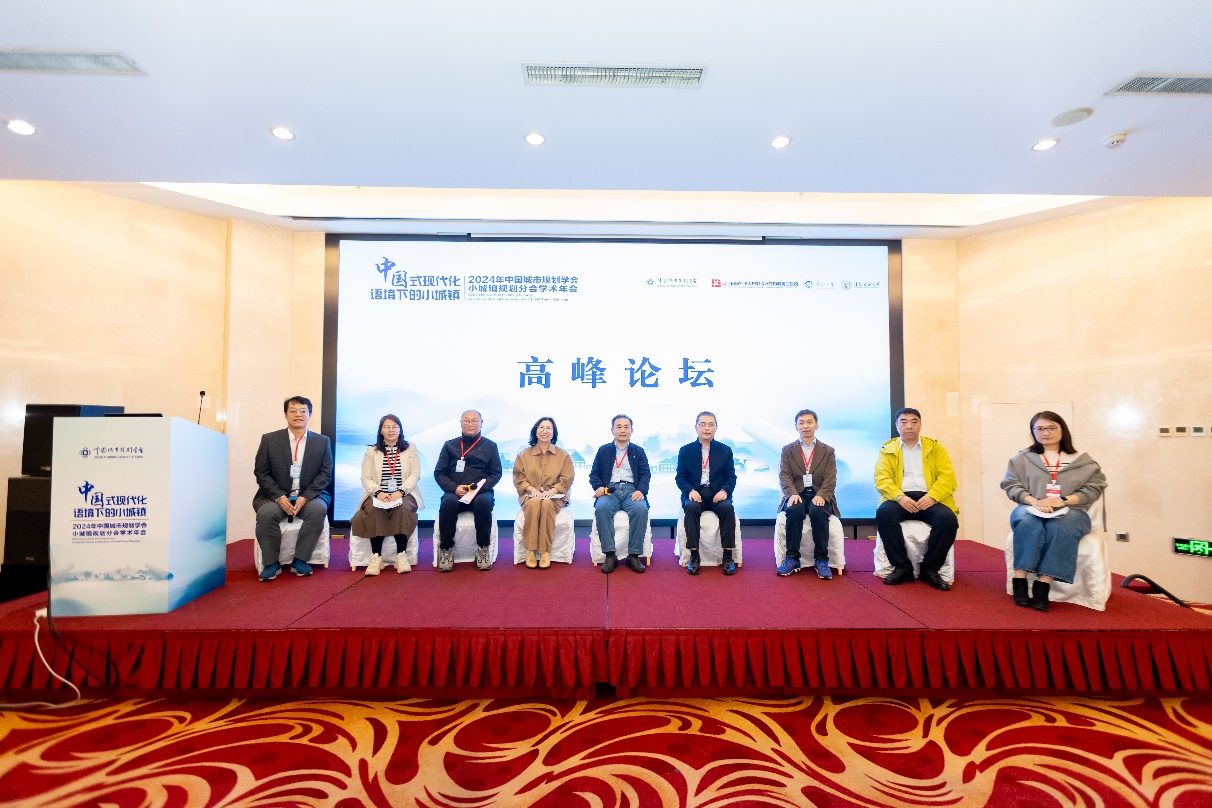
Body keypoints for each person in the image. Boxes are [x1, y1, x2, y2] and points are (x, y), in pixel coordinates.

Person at [1001, 411, 1107, 611]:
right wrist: (1034, 502)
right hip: (1030, 507)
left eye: (1051, 428)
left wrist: (1062, 500)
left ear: (1062, 430)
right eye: (1040, 428)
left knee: (1061, 526)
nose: (1046, 432)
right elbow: (1011, 485)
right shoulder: (1022, 458)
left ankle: (1043, 584)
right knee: (1028, 522)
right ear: (1033, 432)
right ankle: (1020, 580)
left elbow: (1094, 488)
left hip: (1070, 511)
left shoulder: (1082, 460)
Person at [873, 407, 959, 591]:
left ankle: (930, 570)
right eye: (903, 422)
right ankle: (902, 568)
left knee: (948, 520)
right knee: (884, 514)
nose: (909, 426)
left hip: (929, 498)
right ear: (897, 425)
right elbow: (882, 479)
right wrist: (900, 497)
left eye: (914, 421)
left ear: (920, 425)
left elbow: (947, 477)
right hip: (900, 498)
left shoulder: (935, 448)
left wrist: (933, 497)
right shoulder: (887, 450)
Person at [252, 396, 333, 582]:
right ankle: (271, 563)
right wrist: (279, 497)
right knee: (266, 514)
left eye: (303, 411)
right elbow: (261, 472)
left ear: (310, 414)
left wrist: (306, 496)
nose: (298, 414)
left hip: (310, 496)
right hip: (275, 496)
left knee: (318, 510)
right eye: (293, 410)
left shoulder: (322, 441)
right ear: (285, 414)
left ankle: (300, 560)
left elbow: (325, 473)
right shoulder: (270, 439)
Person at [349, 414, 424, 576]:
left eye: (395, 426)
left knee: (402, 508)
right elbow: (366, 477)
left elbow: (415, 474)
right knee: (374, 510)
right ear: (381, 430)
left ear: (400, 430)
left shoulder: (410, 448)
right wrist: (379, 493)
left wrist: (400, 492)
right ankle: (376, 557)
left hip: (404, 493)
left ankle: (401, 555)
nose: (391, 430)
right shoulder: (372, 451)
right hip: (377, 494)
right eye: (387, 427)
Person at [776, 409, 841, 579]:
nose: (805, 426)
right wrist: (791, 494)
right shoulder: (787, 450)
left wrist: (822, 495)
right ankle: (792, 558)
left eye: (809, 422)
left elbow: (831, 477)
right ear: (796, 426)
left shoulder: (828, 451)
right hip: (797, 493)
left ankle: (821, 560)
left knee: (818, 511)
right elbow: (784, 475)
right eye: (801, 423)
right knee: (794, 509)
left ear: (816, 425)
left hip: (819, 493)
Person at [434, 410, 502, 571]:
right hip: (455, 492)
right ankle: (446, 549)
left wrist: (478, 489)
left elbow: (496, 473)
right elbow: (439, 473)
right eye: (466, 420)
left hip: (480, 492)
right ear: (461, 423)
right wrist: (454, 488)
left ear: (481, 423)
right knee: (448, 503)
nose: (470, 424)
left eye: (474, 420)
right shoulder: (449, 445)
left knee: (484, 503)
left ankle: (483, 549)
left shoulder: (490, 446)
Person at [675, 411, 738, 576]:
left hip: (717, 493)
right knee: (691, 508)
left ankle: (728, 557)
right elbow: (680, 477)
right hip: (695, 492)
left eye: (710, 424)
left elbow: (731, 477)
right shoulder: (686, 450)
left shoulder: (725, 450)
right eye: (702, 424)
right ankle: (694, 557)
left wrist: (724, 491)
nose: (706, 428)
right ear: (696, 427)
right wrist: (690, 490)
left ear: (716, 428)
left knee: (727, 508)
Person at [589, 414, 651, 574]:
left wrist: (641, 490)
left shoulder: (638, 451)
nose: (622, 430)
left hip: (632, 489)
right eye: (619, 427)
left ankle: (633, 555)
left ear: (632, 430)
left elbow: (645, 474)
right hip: (609, 490)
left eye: (626, 427)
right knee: (602, 508)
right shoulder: (603, 450)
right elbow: (594, 474)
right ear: (612, 430)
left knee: (641, 509)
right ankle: (610, 555)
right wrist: (599, 487)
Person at [512, 417, 574, 569]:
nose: (544, 431)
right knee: (534, 503)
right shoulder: (523, 455)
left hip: (555, 496)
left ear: (553, 433)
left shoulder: (563, 455)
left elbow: (567, 478)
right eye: (541, 427)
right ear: (536, 431)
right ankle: (530, 551)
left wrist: (552, 491)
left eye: (548, 428)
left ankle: (545, 551)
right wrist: (532, 490)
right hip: (530, 494)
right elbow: (519, 477)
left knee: (546, 503)